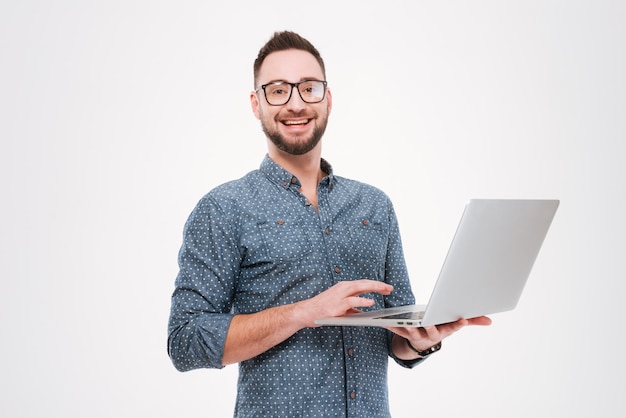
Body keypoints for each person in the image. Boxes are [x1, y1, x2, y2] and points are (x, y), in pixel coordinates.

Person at [167, 30, 491, 417]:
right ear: (256, 104)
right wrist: (306, 312)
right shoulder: (223, 209)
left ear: (328, 99)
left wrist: (424, 339)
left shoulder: (374, 205)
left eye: (308, 88)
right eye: (277, 90)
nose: (295, 103)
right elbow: (185, 341)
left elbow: (397, 338)